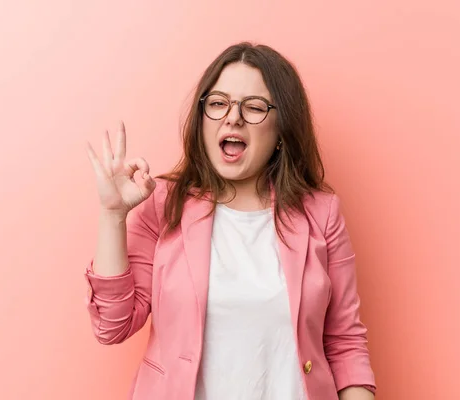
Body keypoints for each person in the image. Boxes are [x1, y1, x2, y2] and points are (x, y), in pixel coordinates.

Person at [85, 42, 377, 400]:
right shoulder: (163, 204)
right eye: (219, 103)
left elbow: (345, 343)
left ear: (282, 132)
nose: (233, 117)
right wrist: (113, 215)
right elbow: (111, 325)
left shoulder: (321, 213)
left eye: (254, 107)